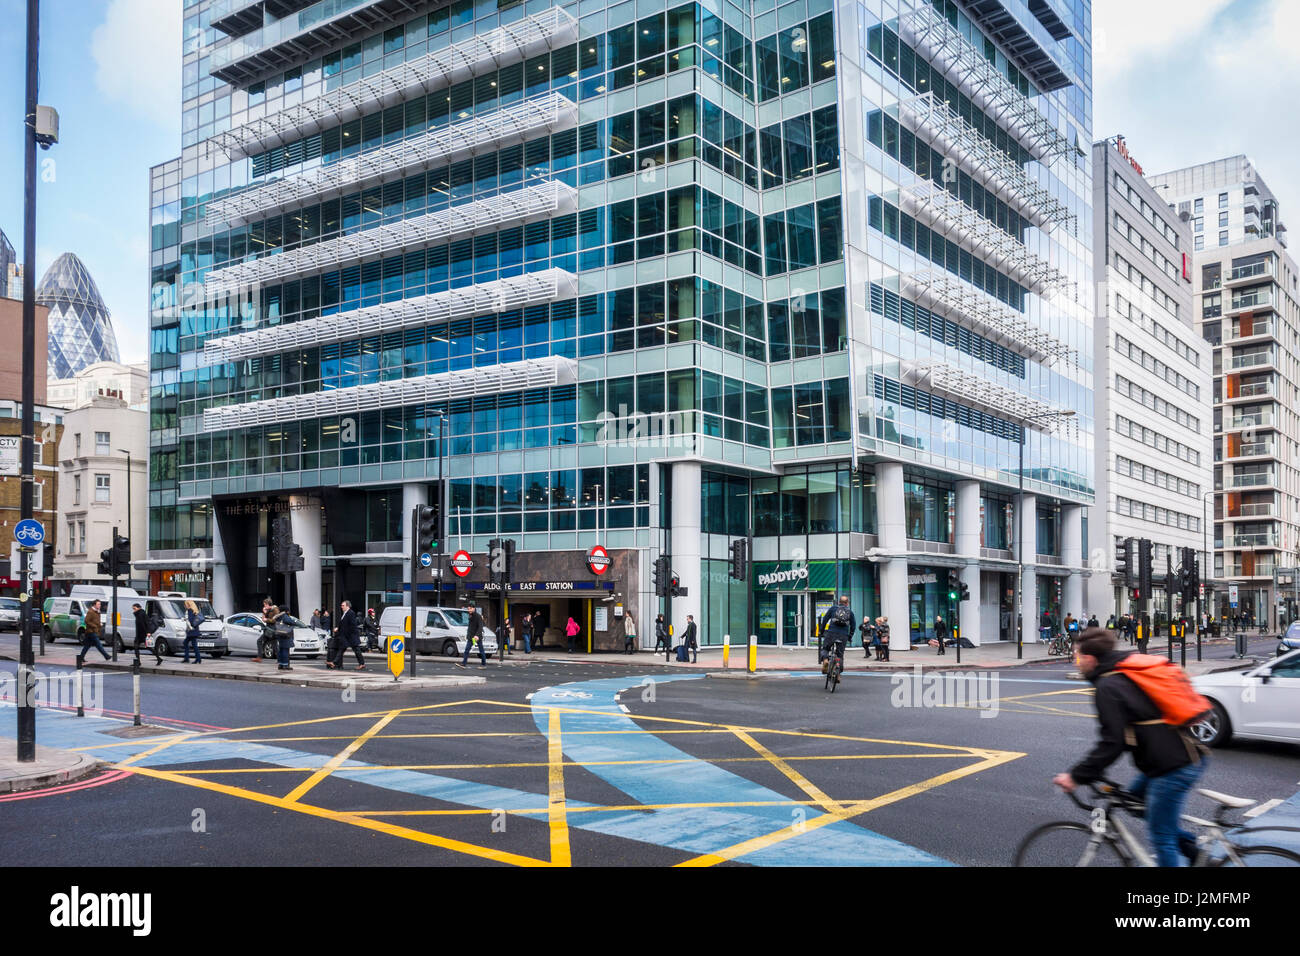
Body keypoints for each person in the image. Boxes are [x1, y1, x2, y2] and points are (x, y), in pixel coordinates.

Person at [1053, 628, 1207, 867]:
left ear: (1090, 659)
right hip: (1171, 758)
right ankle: (1192, 850)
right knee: (1134, 803)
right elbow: (1122, 736)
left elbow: (1113, 742)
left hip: (1174, 766)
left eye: (1077, 657)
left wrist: (1076, 776)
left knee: (1161, 835)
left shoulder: (1108, 686)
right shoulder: (1121, 673)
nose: (1076, 663)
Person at [819, 596, 856, 670]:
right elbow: (853, 626)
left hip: (831, 633)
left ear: (839, 602)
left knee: (825, 649)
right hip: (843, 635)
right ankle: (838, 672)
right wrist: (850, 636)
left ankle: (825, 660)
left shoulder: (833, 608)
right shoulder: (850, 612)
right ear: (847, 603)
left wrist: (822, 631)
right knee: (840, 654)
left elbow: (825, 620)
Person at [330, 600, 366, 670]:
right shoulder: (345, 613)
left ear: (347, 606)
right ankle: (334, 663)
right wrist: (338, 628)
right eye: (341, 605)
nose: (341, 607)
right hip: (346, 636)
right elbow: (344, 624)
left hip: (351, 636)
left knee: (357, 650)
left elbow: (352, 625)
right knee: (342, 649)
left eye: (343, 605)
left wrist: (343, 632)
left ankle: (362, 664)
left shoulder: (351, 613)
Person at [460, 602, 488, 667]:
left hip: (476, 637)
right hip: (471, 637)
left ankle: (483, 664)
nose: (469, 610)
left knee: (481, 651)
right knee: (467, 650)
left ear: (474, 608)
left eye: (470, 609)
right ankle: (464, 663)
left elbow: (480, 627)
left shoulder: (478, 616)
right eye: (468, 609)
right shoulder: (470, 615)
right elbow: (471, 627)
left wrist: (477, 635)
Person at [266, 604, 293, 671]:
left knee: (281, 650)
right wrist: (293, 622)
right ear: (285, 611)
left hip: (280, 634)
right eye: (288, 610)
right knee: (285, 650)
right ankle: (285, 665)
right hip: (285, 635)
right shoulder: (285, 616)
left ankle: (281, 664)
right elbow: (290, 622)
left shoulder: (278, 616)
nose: (288, 612)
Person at [182, 599, 204, 665]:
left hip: (192, 631)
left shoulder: (190, 611)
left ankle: (197, 659)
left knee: (191, 645)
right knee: (187, 643)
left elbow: (191, 621)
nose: (184, 605)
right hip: (194, 630)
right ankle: (192, 659)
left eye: (185, 604)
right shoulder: (195, 610)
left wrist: (185, 619)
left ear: (188, 604)